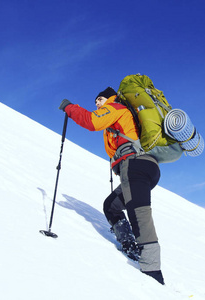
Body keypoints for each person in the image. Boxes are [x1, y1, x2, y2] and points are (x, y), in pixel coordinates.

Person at [59, 87, 164, 285]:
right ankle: (130, 245)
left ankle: (153, 275)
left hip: (135, 164)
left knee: (139, 214)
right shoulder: (122, 114)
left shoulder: (115, 107)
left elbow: (91, 121)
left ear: (108, 98)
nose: (97, 104)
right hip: (145, 166)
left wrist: (70, 108)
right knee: (112, 206)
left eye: (99, 99)